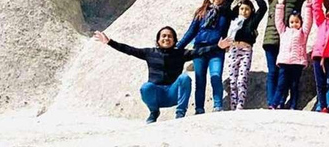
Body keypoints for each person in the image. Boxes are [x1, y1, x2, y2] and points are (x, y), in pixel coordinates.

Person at [237, 0, 329, 107]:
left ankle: (282, 102)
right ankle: (273, 102)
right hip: (272, 38)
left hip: (290, 42)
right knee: (273, 72)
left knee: (287, 75)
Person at [93, 27, 231, 123]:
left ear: (175, 40)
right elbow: (129, 50)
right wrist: (109, 42)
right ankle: (154, 112)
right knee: (146, 87)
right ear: (158, 40)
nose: (166, 38)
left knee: (184, 78)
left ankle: (180, 113)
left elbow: (201, 51)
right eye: (163, 36)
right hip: (157, 95)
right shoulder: (149, 53)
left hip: (173, 94)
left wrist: (218, 47)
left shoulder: (180, 54)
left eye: (170, 36)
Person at [177, 0, 236, 114]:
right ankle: (199, 109)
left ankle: (218, 106)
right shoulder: (201, 12)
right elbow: (191, 31)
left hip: (216, 49)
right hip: (200, 49)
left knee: (216, 76)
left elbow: (237, 14)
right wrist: (179, 46)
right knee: (200, 79)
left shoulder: (225, 13)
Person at [225, 0, 267, 110]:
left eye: (247, 9)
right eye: (242, 8)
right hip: (233, 49)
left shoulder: (252, 22)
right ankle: (233, 105)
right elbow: (225, 8)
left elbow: (263, 8)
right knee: (232, 80)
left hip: (245, 51)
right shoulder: (234, 20)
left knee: (241, 78)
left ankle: (240, 105)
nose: (244, 11)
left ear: (251, 11)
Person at [271, 0, 313, 109]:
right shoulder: (283, 31)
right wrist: (280, 5)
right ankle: (275, 104)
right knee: (281, 84)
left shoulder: (303, 33)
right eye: (292, 22)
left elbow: (308, 21)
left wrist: (308, 5)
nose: (294, 24)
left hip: (297, 62)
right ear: (288, 23)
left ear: (300, 22)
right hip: (284, 62)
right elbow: (278, 21)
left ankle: (293, 105)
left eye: (296, 22)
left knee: (294, 85)